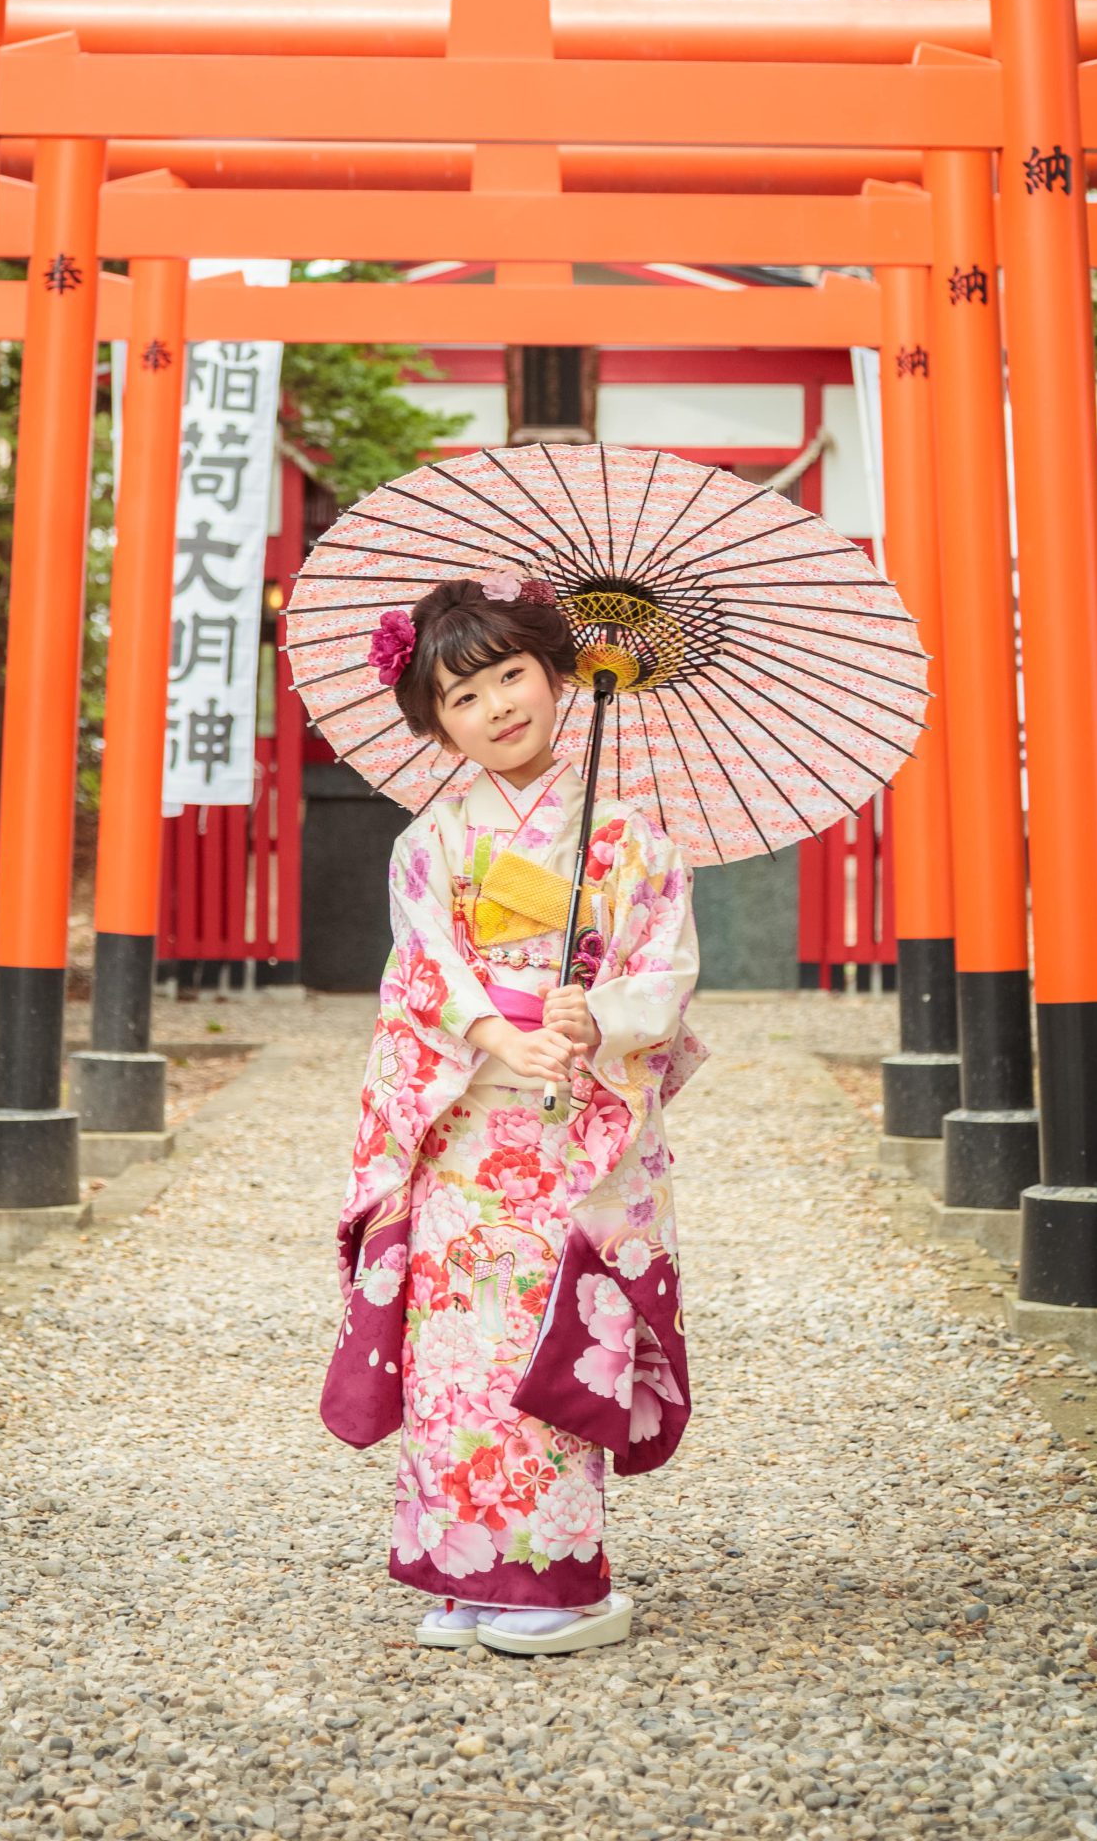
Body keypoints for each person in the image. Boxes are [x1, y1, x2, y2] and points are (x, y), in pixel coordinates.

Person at [319, 573, 703, 1657]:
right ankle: (458, 1564)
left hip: (575, 1126)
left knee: (552, 1340)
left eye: (509, 675)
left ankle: (558, 1582)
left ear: (558, 674)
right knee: (454, 1351)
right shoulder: (431, 843)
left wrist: (600, 1014)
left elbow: (665, 975)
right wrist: (495, 1032)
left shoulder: (630, 839)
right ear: (436, 725)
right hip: (469, 1125)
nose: (495, 705)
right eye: (462, 696)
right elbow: (421, 971)